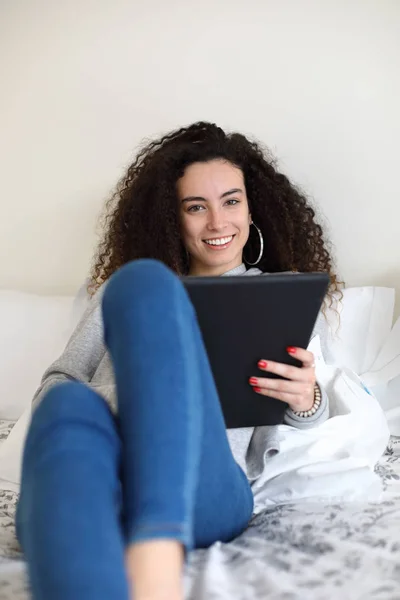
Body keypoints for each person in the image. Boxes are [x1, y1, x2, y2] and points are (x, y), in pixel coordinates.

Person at [16, 122, 342, 600]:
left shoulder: (281, 298)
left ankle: (155, 550)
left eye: (231, 201)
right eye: (196, 207)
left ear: (253, 209)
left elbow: (317, 423)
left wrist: (306, 401)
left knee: (142, 287)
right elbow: (54, 387)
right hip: (96, 475)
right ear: (173, 217)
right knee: (72, 398)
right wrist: (143, 395)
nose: (217, 222)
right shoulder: (119, 293)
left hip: (203, 487)